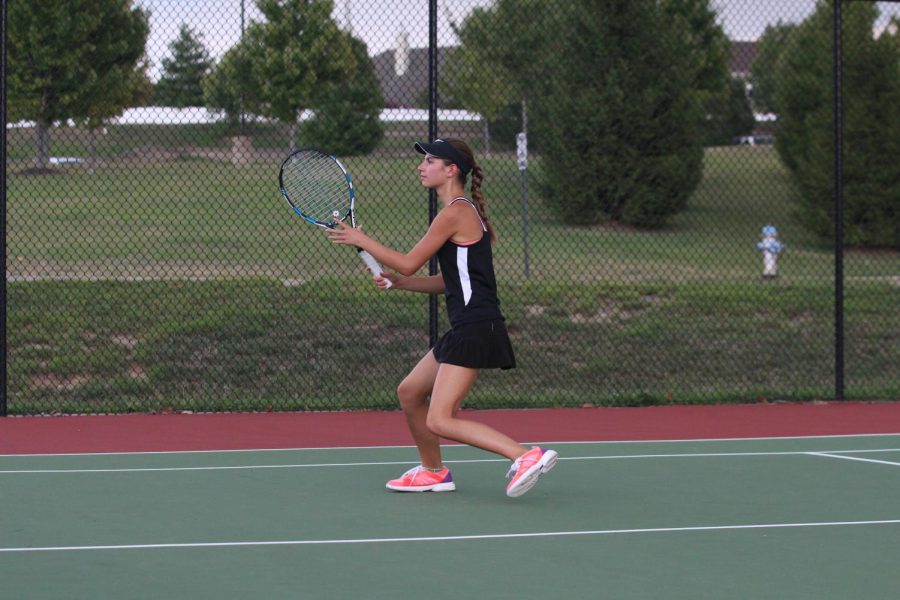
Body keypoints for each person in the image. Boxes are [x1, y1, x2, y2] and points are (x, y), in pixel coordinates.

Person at [326, 137, 557, 498]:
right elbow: (451, 280)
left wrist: (362, 238)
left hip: (477, 326)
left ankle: (525, 455)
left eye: (430, 161)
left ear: (451, 170)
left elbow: (407, 259)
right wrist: (401, 284)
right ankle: (433, 471)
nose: (421, 166)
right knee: (410, 392)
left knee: (440, 418)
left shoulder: (455, 212)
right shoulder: (459, 213)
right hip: (468, 325)